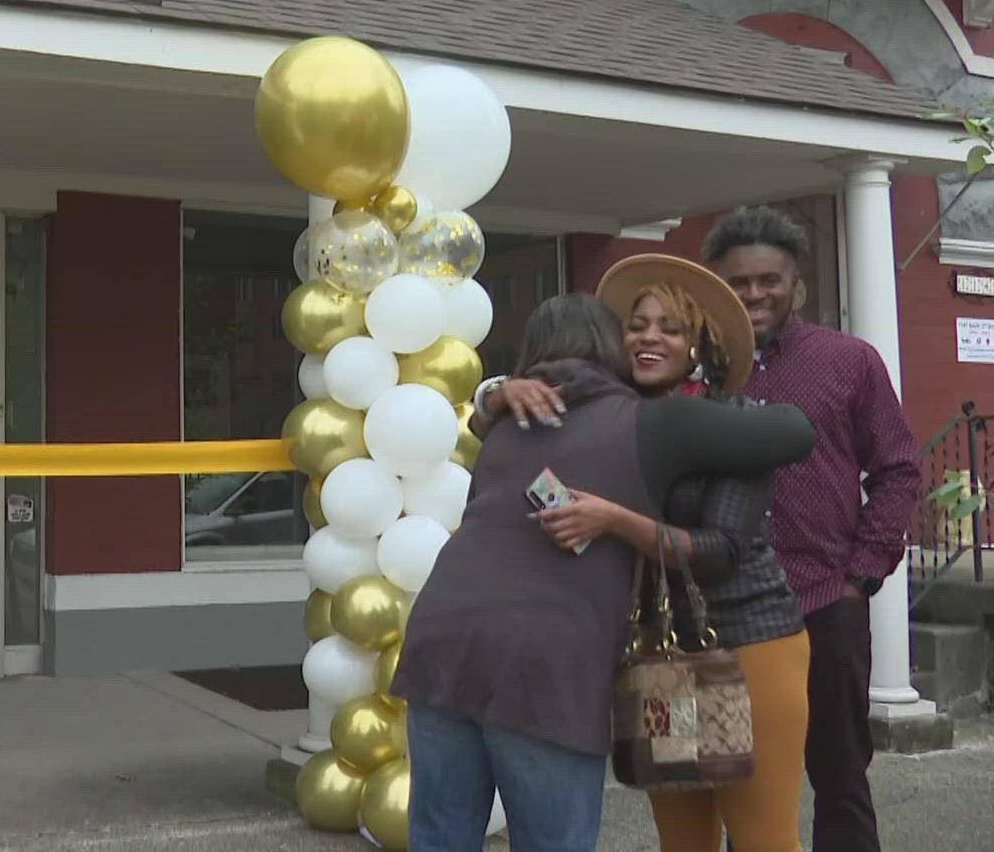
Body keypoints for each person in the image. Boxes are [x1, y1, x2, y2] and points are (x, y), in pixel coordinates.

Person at [392, 293, 816, 852]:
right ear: (613, 347)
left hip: (440, 642)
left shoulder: (506, 422)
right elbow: (796, 433)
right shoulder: (653, 421)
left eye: (668, 328)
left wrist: (495, 392)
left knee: (440, 837)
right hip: (549, 664)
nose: (646, 338)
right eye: (634, 327)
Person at [703, 206, 920, 852]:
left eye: (769, 280)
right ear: (719, 285)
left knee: (841, 773)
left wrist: (861, 575)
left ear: (795, 283)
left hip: (825, 600)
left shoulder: (848, 361)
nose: (754, 294)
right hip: (728, 612)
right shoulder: (698, 373)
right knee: (740, 777)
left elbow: (899, 467)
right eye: (738, 283)